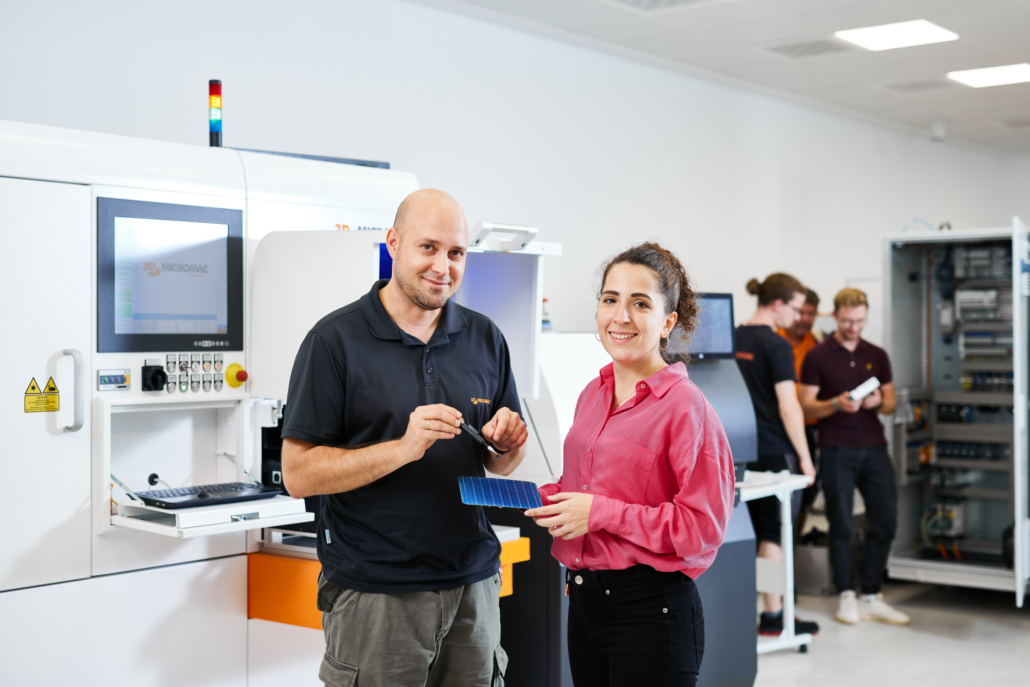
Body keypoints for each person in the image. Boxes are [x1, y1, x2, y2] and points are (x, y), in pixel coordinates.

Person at [280, 189, 530, 687]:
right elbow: (298, 474)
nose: (443, 266)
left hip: (474, 586)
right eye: (428, 248)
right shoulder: (334, 341)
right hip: (376, 592)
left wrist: (508, 444)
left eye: (456, 253)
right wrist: (403, 448)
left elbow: (501, 465)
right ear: (394, 243)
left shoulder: (486, 338)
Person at [524, 243, 735, 687]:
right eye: (610, 299)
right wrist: (555, 500)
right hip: (584, 603)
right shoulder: (592, 394)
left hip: (651, 613)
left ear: (667, 322)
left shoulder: (684, 406)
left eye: (640, 304)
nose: (620, 316)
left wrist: (598, 512)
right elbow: (595, 486)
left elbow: (703, 526)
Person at [799, 288, 910, 626]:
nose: (853, 327)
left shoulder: (877, 354)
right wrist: (835, 404)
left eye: (860, 320)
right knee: (841, 525)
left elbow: (891, 403)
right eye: (847, 321)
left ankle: (872, 594)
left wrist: (878, 402)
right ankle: (846, 594)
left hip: (875, 448)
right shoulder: (817, 356)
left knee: (886, 521)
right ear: (835, 316)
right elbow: (805, 405)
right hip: (835, 450)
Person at [736, 274, 818, 638]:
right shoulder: (777, 345)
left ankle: (752, 610)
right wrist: (805, 457)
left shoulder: (733, 337)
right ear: (778, 304)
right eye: (797, 309)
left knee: (747, 532)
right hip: (773, 452)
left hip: (738, 453)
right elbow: (789, 406)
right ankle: (773, 615)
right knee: (773, 533)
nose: (799, 317)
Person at [776, 287, 823, 513]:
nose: (804, 319)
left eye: (810, 313)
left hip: (809, 428)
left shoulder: (818, 343)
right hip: (781, 428)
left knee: (806, 493)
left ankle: (794, 544)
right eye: (800, 312)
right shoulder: (776, 340)